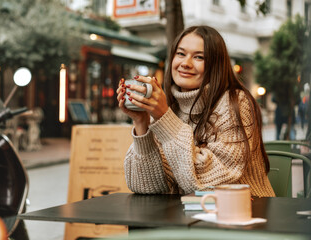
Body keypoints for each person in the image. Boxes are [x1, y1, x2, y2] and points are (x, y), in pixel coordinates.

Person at [116, 25, 275, 197]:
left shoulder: (235, 102)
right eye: (181, 54)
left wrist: (165, 119)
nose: (185, 63)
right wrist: (142, 122)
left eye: (199, 57)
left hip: (244, 211)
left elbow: (208, 184)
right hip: (188, 213)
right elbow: (145, 185)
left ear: (216, 65)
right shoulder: (171, 108)